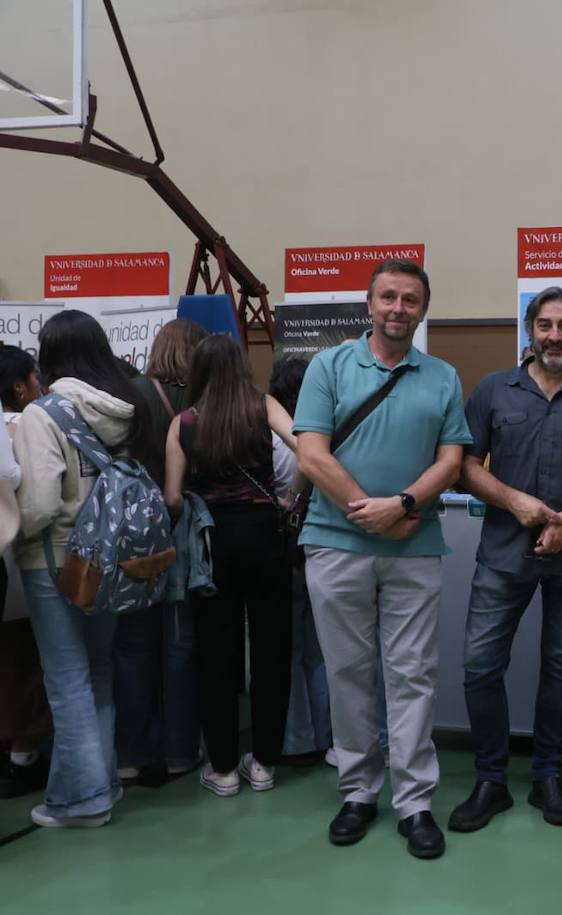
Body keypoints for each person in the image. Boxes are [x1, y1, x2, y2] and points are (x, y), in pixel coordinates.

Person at [293, 258, 470, 860]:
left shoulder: (442, 376)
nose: (398, 308)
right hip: (336, 541)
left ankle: (414, 801)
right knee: (346, 671)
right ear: (369, 304)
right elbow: (310, 453)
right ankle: (358, 792)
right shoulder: (328, 366)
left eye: (411, 300)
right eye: (388, 298)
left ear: (423, 309)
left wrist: (404, 505)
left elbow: (451, 460)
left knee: (413, 673)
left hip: (414, 546)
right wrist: (366, 510)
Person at [449, 287, 562, 832]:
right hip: (503, 554)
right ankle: (491, 780)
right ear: (530, 329)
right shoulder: (494, 391)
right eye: (545, 325)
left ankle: (549, 776)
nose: (555, 335)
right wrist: (512, 500)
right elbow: (466, 465)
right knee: (480, 666)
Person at [11, 310, 161, 827]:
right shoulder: (127, 408)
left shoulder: (42, 414)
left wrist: (16, 535)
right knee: (97, 672)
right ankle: (102, 784)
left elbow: (39, 504)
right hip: (113, 559)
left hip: (56, 560)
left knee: (66, 678)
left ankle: (82, 800)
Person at [163, 335, 297, 799]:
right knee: (271, 652)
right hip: (265, 536)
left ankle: (221, 769)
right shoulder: (263, 407)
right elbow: (303, 448)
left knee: (215, 657)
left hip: (211, 546)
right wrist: (290, 498)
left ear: (197, 370)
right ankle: (263, 763)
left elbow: (174, 497)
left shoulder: (185, 422)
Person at [113, 319, 207, 786]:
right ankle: (178, 751)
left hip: (131, 538)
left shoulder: (129, 393)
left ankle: (130, 753)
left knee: (131, 646)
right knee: (179, 643)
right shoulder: (199, 402)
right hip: (183, 536)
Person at [270, 358, 333, 763]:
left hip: (284, 550)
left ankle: (296, 739)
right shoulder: (328, 434)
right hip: (326, 547)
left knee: (287, 652)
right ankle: (330, 736)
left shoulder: (273, 437)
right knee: (323, 653)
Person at [0, 344, 52, 799]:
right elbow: (15, 478)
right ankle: (24, 755)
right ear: (19, 387)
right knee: (22, 662)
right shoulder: (21, 426)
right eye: (36, 378)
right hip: (15, 560)